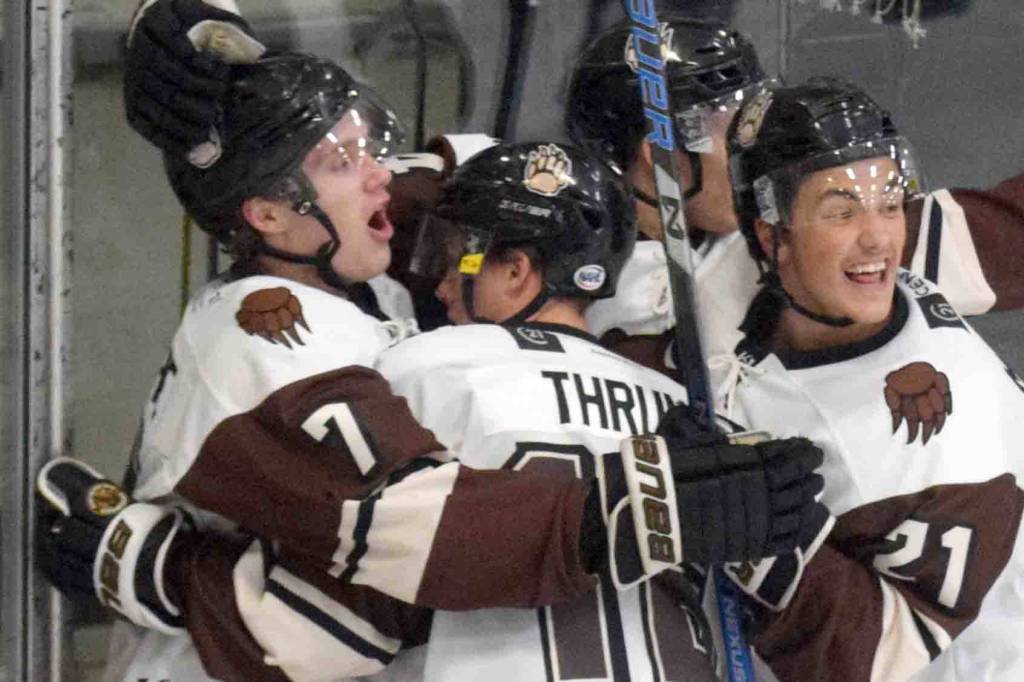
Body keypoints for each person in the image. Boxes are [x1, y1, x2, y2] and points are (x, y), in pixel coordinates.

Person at [37, 49, 828, 682]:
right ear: (267, 212)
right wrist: (639, 515)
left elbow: (351, 619)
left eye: (369, 146)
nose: (380, 172)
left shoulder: (411, 348)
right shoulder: (268, 332)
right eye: (342, 160)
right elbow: (388, 563)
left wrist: (153, 567)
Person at [722, 77, 1024, 682]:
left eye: (890, 203)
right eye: (841, 212)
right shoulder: (779, 422)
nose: (879, 236)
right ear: (771, 235)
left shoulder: (902, 275)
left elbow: (882, 654)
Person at [567, 15, 1024, 379]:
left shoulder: (798, 224)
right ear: (660, 156)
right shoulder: (574, 287)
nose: (759, 149)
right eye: (737, 134)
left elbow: (1003, 239)